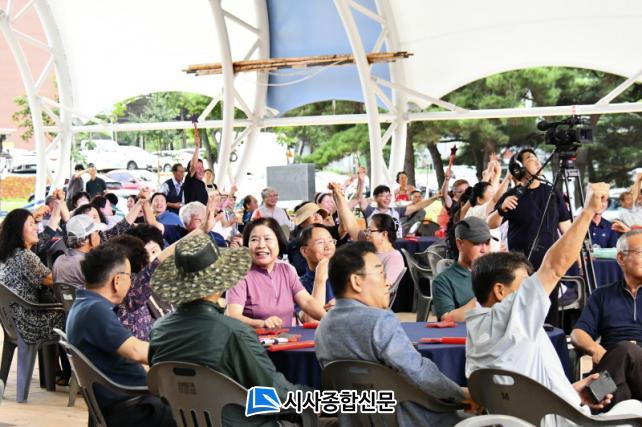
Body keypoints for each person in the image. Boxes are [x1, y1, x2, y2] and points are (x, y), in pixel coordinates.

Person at [466, 182, 642, 424]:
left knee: (621, 388)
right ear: (500, 291)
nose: (533, 289)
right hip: (568, 422)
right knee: (633, 403)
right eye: (524, 284)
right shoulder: (513, 318)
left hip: (535, 416)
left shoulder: (477, 330)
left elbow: (529, 389)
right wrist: (588, 210)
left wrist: (573, 391)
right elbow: (554, 266)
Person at [149, 233, 308, 426]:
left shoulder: (159, 330)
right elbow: (272, 392)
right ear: (219, 283)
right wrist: (311, 396)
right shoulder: (233, 332)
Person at [315, 241, 474, 426]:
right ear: (356, 282)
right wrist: (461, 394)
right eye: (381, 274)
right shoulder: (379, 320)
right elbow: (419, 372)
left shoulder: (323, 327)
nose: (387, 282)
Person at [66, 244, 175, 427]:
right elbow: (136, 352)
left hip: (126, 401)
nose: (131, 282)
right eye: (129, 277)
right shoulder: (95, 311)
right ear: (117, 280)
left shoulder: (84, 304)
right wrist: (182, 353)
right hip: (135, 408)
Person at [495, 148, 572, 324]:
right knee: (524, 319)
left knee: (550, 319)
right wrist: (501, 209)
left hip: (549, 266)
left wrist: (579, 257)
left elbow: (567, 228)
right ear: (519, 168)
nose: (537, 161)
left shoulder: (552, 192)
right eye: (530, 158)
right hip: (521, 269)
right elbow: (491, 223)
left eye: (537, 158)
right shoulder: (513, 195)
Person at [570, 230, 642, 408]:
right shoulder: (602, 295)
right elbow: (578, 334)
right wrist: (595, 349)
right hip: (613, 367)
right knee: (620, 392)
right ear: (621, 258)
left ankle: (580, 400)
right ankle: (594, 399)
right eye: (640, 252)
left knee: (627, 349)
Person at [226, 217, 326, 329]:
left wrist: (329, 318)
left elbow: (307, 302)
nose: (261, 245)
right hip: (253, 338)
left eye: (267, 239)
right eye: (254, 240)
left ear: (279, 242)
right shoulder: (239, 274)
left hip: (287, 338)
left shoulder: (286, 270)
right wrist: (261, 324)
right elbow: (232, 316)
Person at [0, 209, 65, 346]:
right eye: (31, 224)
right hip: (30, 325)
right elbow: (55, 280)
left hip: (13, 323)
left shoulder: (8, 253)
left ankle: (55, 360)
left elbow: (44, 237)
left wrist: (57, 207)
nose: (36, 227)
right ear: (18, 230)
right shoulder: (24, 256)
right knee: (75, 317)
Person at [332, 182, 406, 285]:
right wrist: (338, 194)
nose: (366, 233)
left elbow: (383, 287)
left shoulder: (394, 258)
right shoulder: (369, 245)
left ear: (384, 234)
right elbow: (350, 223)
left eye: (370, 231)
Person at [433, 217, 492, 322]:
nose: (484, 250)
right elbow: (446, 319)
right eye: (477, 243)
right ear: (459, 244)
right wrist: (483, 299)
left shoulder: (497, 273)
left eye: (487, 243)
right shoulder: (443, 281)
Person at [358, 184, 439, 239]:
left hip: (397, 244)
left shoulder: (397, 211)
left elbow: (418, 206)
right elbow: (359, 198)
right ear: (375, 198)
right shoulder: (370, 211)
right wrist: (361, 181)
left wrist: (434, 198)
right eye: (383, 196)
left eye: (388, 195)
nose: (387, 198)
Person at [52, 214, 104, 288]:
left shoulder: (59, 260)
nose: (99, 236)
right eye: (97, 232)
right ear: (92, 237)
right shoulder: (89, 264)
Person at [298, 224, 336, 322]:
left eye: (331, 241)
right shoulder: (299, 285)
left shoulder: (348, 276)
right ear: (304, 251)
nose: (328, 247)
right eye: (320, 242)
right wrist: (320, 279)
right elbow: (311, 321)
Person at [288, 202, 330, 276]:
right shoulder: (296, 245)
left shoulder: (330, 236)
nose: (317, 216)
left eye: (318, 213)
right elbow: (301, 270)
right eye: (313, 214)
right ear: (301, 223)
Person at [183, 135, 208, 205]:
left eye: (202, 167)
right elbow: (193, 166)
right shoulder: (189, 180)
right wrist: (197, 147)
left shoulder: (202, 184)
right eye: (198, 168)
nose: (201, 170)